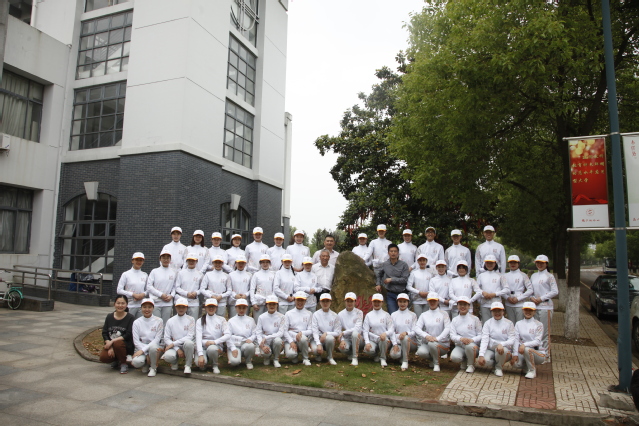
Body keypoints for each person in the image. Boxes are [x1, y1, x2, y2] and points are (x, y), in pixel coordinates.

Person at [477, 301, 516, 377]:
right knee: (485, 361)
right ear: (491, 312)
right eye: (495, 311)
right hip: (491, 349)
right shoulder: (487, 323)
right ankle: (496, 364)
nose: (497, 313)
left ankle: (498, 368)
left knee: (502, 351)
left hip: (504, 349)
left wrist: (502, 344)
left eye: (499, 311)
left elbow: (512, 339)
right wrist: (481, 355)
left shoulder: (509, 323)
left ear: (503, 311)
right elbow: (484, 339)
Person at [414, 292, 450, 372]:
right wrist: (426, 336)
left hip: (442, 343)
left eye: (434, 301)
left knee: (432, 344)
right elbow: (417, 328)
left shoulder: (444, 314)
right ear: (427, 301)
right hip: (428, 342)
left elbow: (448, 328)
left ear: (438, 301)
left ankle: (436, 364)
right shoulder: (424, 315)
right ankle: (433, 359)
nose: (432, 302)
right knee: (421, 352)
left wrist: (438, 338)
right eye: (430, 301)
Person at [529, 254, 558, 356]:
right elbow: (530, 290)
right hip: (534, 307)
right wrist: (531, 297)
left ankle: (546, 355)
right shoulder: (533, 276)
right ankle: (537, 353)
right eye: (538, 263)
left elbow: (555, 291)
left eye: (542, 263)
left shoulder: (550, 276)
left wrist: (541, 298)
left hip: (546, 307)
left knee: (545, 332)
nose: (539, 265)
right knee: (535, 332)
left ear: (546, 264)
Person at [99, 294, 135, 374]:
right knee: (104, 357)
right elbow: (105, 333)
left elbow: (128, 335)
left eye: (123, 303)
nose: (120, 305)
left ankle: (123, 363)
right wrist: (110, 346)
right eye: (118, 303)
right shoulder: (109, 317)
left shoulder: (130, 318)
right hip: (112, 344)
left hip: (125, 345)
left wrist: (112, 342)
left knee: (118, 343)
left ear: (126, 304)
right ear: (114, 304)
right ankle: (117, 359)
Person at [511, 302, 546, 379]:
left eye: (530, 310)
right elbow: (516, 340)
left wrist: (524, 345)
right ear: (523, 311)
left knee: (527, 349)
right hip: (523, 352)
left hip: (538, 353)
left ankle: (532, 370)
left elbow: (537, 341)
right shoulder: (518, 324)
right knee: (515, 363)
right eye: (526, 310)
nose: (528, 312)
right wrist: (515, 354)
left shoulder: (539, 324)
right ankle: (526, 367)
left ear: (534, 312)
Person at [196, 298, 230, 374]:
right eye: (209, 306)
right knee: (199, 364)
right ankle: (205, 362)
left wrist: (215, 342)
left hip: (215, 346)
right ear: (205, 307)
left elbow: (227, 335)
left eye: (213, 306)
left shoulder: (221, 320)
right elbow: (198, 338)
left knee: (212, 349)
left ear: (216, 307)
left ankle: (214, 365)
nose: (211, 308)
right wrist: (200, 354)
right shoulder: (200, 321)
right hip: (203, 346)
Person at [161, 297, 195, 374]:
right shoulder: (170, 321)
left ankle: (188, 365)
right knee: (168, 356)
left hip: (185, 345)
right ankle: (174, 362)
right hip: (174, 347)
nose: (181, 309)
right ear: (175, 307)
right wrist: (176, 348)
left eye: (183, 307)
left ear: (187, 308)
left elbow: (190, 336)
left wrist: (173, 343)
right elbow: (166, 338)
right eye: (179, 307)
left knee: (189, 343)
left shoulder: (191, 319)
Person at [449, 296, 483, 373]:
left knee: (469, 346)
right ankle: (465, 360)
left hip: (473, 346)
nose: (462, 306)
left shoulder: (475, 319)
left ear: (469, 306)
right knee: (455, 357)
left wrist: (472, 340)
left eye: (465, 304)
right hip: (460, 346)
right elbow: (452, 335)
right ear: (457, 306)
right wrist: (461, 339)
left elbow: (480, 335)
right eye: (460, 304)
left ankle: (471, 365)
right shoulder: (455, 320)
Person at [131, 298, 164, 377]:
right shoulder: (136, 322)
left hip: (154, 347)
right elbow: (136, 341)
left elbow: (157, 339)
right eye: (144, 307)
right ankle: (146, 363)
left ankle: (153, 367)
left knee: (153, 348)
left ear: (153, 308)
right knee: (136, 362)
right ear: (141, 308)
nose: (147, 309)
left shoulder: (159, 321)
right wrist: (146, 353)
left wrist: (144, 350)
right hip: (141, 347)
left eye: (149, 307)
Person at [376, 244, 410, 314]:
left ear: (398, 253)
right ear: (388, 253)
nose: (393, 253)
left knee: (403, 314)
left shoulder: (404, 265)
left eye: (395, 251)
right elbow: (378, 274)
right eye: (391, 251)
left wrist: (391, 279)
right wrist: (378, 284)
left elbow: (405, 280)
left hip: (402, 293)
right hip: (390, 294)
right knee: (392, 314)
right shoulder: (385, 264)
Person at [363, 293, 394, 367]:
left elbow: (391, 329)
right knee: (367, 350)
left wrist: (385, 334)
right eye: (375, 301)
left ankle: (383, 358)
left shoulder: (386, 315)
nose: (376, 303)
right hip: (372, 340)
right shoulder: (368, 315)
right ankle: (376, 355)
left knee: (384, 340)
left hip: (383, 339)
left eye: (378, 302)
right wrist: (367, 342)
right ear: (372, 302)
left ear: (382, 302)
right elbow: (365, 330)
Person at [477, 254, 509, 324]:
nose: (489, 264)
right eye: (487, 262)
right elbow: (476, 289)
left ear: (495, 263)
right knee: (486, 323)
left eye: (491, 263)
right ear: (485, 263)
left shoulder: (500, 275)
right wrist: (483, 293)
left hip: (496, 303)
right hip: (484, 304)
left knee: (498, 323)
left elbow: (506, 289)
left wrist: (495, 294)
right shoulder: (481, 276)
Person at [146, 249, 176, 325]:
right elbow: (149, 286)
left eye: (167, 258)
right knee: (156, 323)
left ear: (170, 259)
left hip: (167, 303)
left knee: (166, 324)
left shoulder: (173, 272)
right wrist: (160, 294)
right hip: (156, 302)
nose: (166, 260)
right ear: (160, 259)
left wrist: (171, 295)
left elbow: (175, 286)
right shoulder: (154, 271)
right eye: (163, 258)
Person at [255, 295, 286, 368]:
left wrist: (267, 337)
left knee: (278, 340)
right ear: (266, 305)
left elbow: (281, 333)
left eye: (274, 304)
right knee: (265, 352)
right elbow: (258, 332)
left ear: (277, 305)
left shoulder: (282, 317)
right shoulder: (261, 317)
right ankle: (267, 357)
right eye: (270, 304)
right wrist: (261, 344)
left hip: (275, 340)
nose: (272, 306)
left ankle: (276, 359)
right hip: (265, 342)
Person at [284, 291, 313, 365]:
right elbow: (285, 330)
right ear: (294, 300)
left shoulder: (309, 313)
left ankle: (305, 358)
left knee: (302, 338)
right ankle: (295, 355)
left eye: (302, 300)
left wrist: (301, 333)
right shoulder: (288, 313)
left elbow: (311, 330)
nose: (300, 302)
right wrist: (291, 341)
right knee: (291, 355)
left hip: (302, 338)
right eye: (298, 300)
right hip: (291, 338)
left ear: (305, 301)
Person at [390, 293, 418, 371]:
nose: (402, 304)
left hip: (410, 342)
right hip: (398, 341)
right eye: (400, 301)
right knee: (394, 355)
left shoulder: (413, 315)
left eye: (404, 302)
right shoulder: (393, 315)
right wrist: (395, 344)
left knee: (405, 338)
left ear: (408, 302)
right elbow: (391, 331)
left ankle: (405, 361)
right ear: (397, 302)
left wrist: (406, 333)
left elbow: (414, 331)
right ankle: (401, 355)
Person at [311, 293, 341, 365]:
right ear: (320, 302)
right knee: (315, 350)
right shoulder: (316, 314)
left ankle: (330, 357)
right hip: (318, 338)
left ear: (330, 302)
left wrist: (326, 333)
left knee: (330, 338)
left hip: (328, 339)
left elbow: (338, 332)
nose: (325, 303)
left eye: (327, 301)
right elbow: (314, 331)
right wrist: (318, 343)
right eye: (323, 301)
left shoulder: (335, 315)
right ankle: (318, 355)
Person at [227, 298, 256, 369]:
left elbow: (255, 333)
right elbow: (228, 336)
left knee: (251, 346)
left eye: (243, 308)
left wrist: (251, 339)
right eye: (239, 308)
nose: (241, 310)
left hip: (246, 344)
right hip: (235, 345)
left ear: (247, 308)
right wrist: (233, 348)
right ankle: (236, 358)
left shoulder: (251, 320)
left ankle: (248, 361)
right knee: (234, 362)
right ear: (236, 308)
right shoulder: (231, 321)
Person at [117, 252, 148, 319]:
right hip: (129, 305)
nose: (139, 262)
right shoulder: (126, 274)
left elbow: (148, 289)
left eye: (141, 260)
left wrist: (143, 294)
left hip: (141, 306)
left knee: (140, 324)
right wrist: (133, 294)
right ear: (132, 261)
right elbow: (119, 290)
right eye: (137, 260)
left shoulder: (145, 275)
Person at [504, 255, 533, 323]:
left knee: (520, 323)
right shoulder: (505, 276)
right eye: (511, 262)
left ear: (518, 264)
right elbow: (501, 290)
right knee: (510, 324)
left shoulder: (523, 275)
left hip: (520, 303)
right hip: (509, 303)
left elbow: (530, 289)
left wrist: (518, 298)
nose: (513, 264)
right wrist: (507, 298)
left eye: (515, 262)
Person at [337, 292, 364, 366]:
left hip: (358, 339)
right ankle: (351, 353)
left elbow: (357, 328)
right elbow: (339, 329)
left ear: (355, 301)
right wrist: (342, 340)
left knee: (355, 334)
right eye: (347, 301)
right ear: (345, 301)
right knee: (342, 348)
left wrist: (344, 332)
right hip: (347, 339)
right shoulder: (340, 314)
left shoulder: (359, 312)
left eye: (351, 301)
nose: (349, 303)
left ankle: (355, 357)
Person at [175, 253, 204, 319]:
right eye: (189, 260)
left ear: (196, 261)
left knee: (193, 321)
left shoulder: (200, 274)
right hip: (182, 301)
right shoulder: (181, 273)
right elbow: (177, 287)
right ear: (186, 261)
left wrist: (196, 293)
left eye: (193, 260)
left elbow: (202, 288)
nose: (191, 262)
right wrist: (186, 293)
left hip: (194, 302)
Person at [249, 254, 276, 322]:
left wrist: (273, 301)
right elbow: (252, 289)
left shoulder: (273, 275)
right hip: (259, 303)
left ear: (269, 263)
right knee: (257, 321)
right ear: (260, 263)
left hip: (270, 303)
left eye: (267, 262)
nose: (265, 264)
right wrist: (253, 303)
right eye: (263, 262)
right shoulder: (256, 275)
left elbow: (274, 289)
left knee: (268, 321)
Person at [406, 253, 432, 317]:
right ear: (417, 262)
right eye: (420, 260)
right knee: (418, 318)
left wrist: (427, 293)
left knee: (426, 318)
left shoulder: (430, 274)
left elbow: (432, 287)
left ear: (426, 261)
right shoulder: (414, 273)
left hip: (427, 300)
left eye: (424, 260)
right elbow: (408, 286)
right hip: (416, 300)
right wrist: (419, 292)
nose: (422, 262)